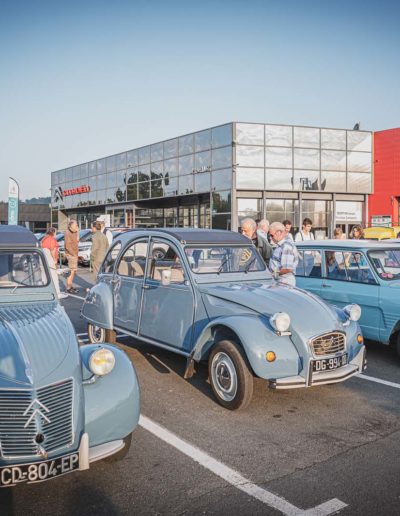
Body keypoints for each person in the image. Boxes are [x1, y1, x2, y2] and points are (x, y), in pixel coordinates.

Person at [268, 221, 299, 286]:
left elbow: (287, 268)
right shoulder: (281, 245)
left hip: (284, 281)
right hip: (281, 280)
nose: (270, 237)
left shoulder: (286, 246)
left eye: (271, 235)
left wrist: (272, 274)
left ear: (279, 232)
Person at [41, 228, 67, 299]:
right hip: (50, 258)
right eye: (56, 232)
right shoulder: (52, 239)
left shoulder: (44, 239)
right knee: (54, 276)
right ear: (53, 233)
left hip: (43, 259)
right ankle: (57, 293)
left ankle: (45, 292)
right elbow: (53, 250)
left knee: (45, 276)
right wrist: (55, 260)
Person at [64, 220, 80, 294]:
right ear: (71, 226)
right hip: (71, 254)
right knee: (72, 271)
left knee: (73, 271)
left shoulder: (75, 232)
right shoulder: (68, 233)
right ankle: (68, 287)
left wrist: (78, 232)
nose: (77, 226)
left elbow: (77, 240)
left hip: (74, 254)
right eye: (76, 225)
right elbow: (67, 246)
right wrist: (73, 254)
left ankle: (69, 285)